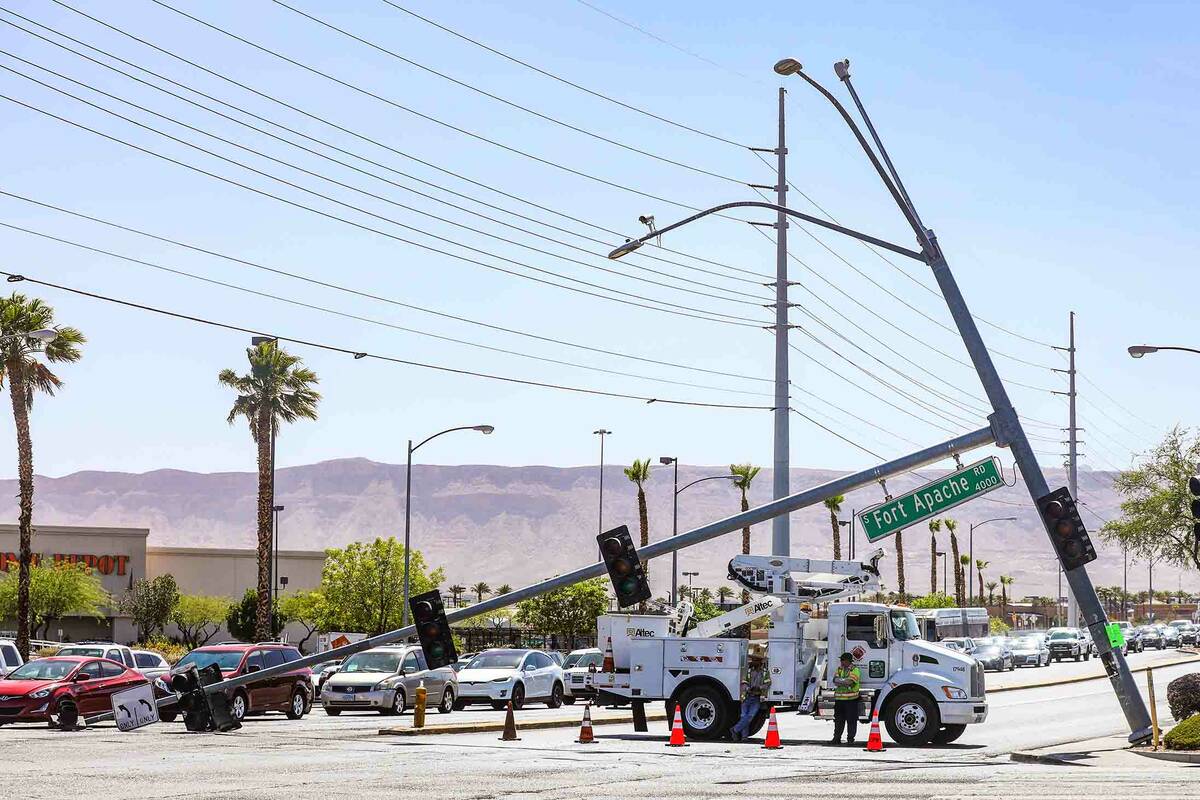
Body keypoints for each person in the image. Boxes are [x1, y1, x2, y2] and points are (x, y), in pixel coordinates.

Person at [731, 650, 771, 741]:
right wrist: (748, 689)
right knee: (744, 716)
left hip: (757, 698)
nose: (753, 661)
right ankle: (744, 737)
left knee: (749, 716)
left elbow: (768, 683)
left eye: (756, 660)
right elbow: (744, 683)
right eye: (753, 659)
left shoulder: (765, 672)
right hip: (746, 697)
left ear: (760, 662)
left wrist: (759, 688)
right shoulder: (748, 671)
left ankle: (735, 729)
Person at [831, 652, 861, 745]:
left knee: (851, 721)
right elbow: (835, 680)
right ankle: (836, 738)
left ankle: (850, 739)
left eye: (842, 660)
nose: (841, 662)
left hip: (851, 700)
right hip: (839, 700)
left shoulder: (855, 670)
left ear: (848, 661)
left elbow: (851, 682)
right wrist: (844, 681)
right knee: (838, 721)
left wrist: (841, 681)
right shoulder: (839, 669)